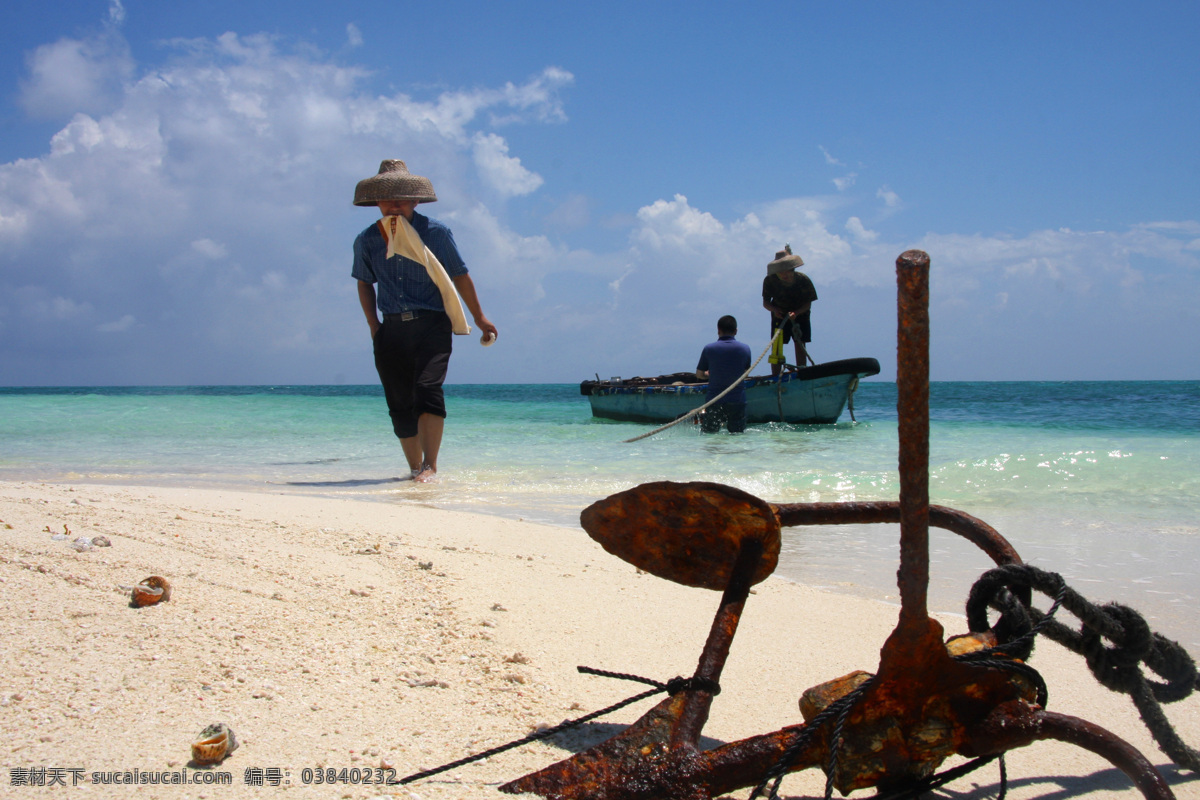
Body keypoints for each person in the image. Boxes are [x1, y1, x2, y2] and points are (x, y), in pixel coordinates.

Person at [351, 159, 498, 482]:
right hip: (390, 327)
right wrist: (374, 326)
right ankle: (414, 468)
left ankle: (431, 465)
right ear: (376, 202)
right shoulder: (368, 240)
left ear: (415, 201)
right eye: (387, 199)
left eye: (401, 199)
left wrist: (480, 317)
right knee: (399, 399)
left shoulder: (436, 233)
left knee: (427, 388)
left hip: (431, 323)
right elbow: (364, 282)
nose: (394, 205)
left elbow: (459, 275)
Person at [762, 246, 817, 376]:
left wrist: (796, 313)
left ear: (792, 269)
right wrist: (774, 309)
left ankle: (801, 370)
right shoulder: (770, 281)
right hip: (779, 316)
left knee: (799, 342)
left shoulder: (803, 280)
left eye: (786, 271)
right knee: (776, 346)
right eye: (780, 272)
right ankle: (775, 376)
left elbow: (808, 303)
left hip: (800, 315)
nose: (784, 275)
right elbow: (766, 303)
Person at [695, 315, 752, 433]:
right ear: (736, 331)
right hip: (737, 400)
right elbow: (745, 374)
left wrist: (709, 374)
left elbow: (699, 374)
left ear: (718, 330)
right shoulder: (745, 349)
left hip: (714, 399)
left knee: (710, 435)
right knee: (737, 436)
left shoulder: (709, 349)